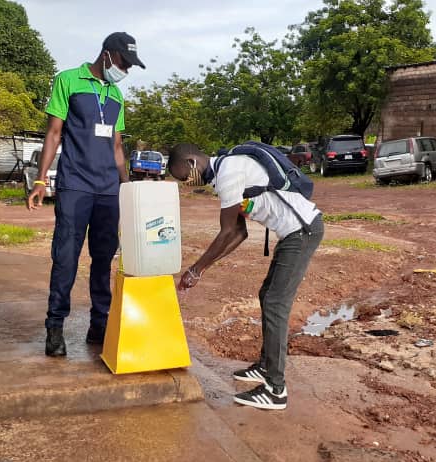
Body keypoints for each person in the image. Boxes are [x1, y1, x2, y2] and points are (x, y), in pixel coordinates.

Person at [167, 143, 324, 410]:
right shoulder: (224, 176)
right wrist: (202, 269)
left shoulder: (229, 171)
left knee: (275, 303)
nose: (186, 183)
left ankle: (275, 389)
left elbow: (227, 231)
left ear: (192, 162)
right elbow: (239, 233)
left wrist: (195, 270)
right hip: (293, 233)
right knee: (267, 295)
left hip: (302, 232)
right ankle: (265, 366)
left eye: (183, 176)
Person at [27, 32, 145, 356]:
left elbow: (117, 147)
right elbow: (53, 134)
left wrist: (127, 186)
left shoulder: (117, 95)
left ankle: (99, 324)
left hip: (108, 191)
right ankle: (55, 326)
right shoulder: (68, 81)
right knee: (65, 257)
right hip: (75, 184)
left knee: (104, 258)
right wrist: (40, 182)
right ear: (107, 55)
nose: (126, 70)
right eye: (124, 63)